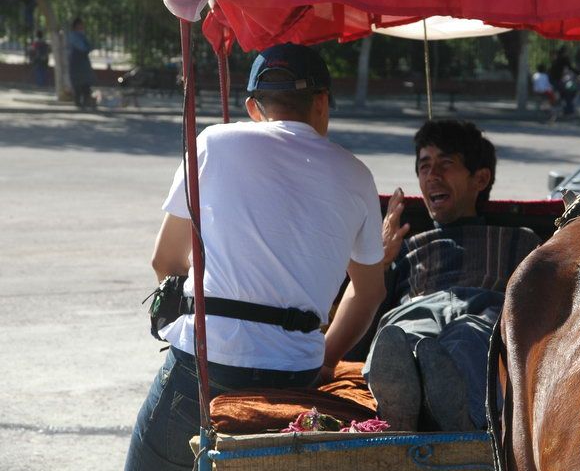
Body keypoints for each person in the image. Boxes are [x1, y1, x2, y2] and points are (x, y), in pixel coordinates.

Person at [125, 43, 387, 471]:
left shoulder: (213, 143)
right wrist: (324, 359)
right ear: (322, 102)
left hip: (205, 368)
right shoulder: (356, 174)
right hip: (294, 378)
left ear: (252, 106)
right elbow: (370, 290)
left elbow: (166, 260)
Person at [362, 120, 540, 432]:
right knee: (402, 336)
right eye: (424, 166)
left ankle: (463, 417)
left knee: (467, 338)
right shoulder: (406, 247)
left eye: (446, 164)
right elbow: (367, 310)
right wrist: (380, 263)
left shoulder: (520, 240)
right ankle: (403, 412)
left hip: (485, 310)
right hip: (417, 310)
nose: (432, 175)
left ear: (480, 178)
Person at [68, 17, 95, 109]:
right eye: (81, 25)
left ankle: (85, 101)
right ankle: (79, 101)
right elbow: (83, 48)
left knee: (85, 82)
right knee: (78, 83)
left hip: (82, 62)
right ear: (76, 26)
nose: (82, 27)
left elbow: (88, 47)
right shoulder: (74, 36)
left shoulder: (81, 36)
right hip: (76, 62)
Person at [550, 46, 578, 115]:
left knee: (564, 93)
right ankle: (568, 109)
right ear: (565, 52)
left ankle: (564, 108)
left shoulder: (557, 58)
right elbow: (570, 67)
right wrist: (579, 73)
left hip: (554, 79)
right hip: (557, 80)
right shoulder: (564, 59)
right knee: (568, 92)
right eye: (567, 52)